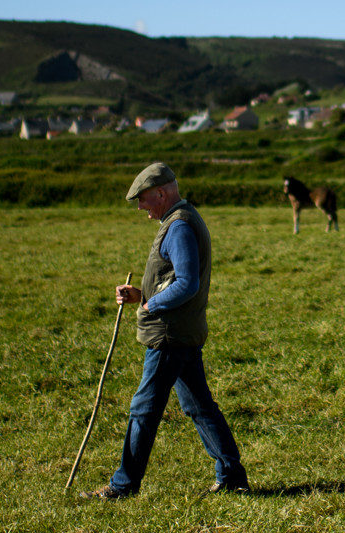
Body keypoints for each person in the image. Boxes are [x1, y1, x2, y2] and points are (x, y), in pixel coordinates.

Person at [80, 162, 249, 499]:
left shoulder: (179, 226)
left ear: (161, 192)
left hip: (169, 336)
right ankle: (231, 475)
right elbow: (176, 282)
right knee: (199, 406)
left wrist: (150, 306)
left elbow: (187, 284)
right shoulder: (181, 219)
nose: (141, 208)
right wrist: (141, 296)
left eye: (143, 199)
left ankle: (123, 485)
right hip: (180, 332)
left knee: (143, 409)